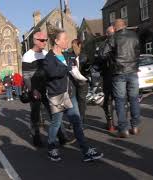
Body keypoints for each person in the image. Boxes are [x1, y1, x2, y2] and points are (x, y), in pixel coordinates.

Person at [43, 26, 103, 162]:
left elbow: (78, 61)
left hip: (70, 94)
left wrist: (78, 67)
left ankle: (86, 150)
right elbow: (52, 73)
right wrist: (67, 68)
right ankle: (51, 147)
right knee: (56, 123)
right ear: (57, 41)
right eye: (64, 39)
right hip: (57, 95)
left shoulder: (66, 55)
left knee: (76, 122)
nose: (66, 41)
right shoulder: (49, 58)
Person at [22, 31, 71, 147]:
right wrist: (33, 90)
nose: (45, 42)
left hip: (48, 88)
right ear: (34, 41)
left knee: (55, 113)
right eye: (42, 40)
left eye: (46, 40)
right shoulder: (27, 56)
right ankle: (36, 138)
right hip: (35, 90)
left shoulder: (46, 54)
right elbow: (26, 76)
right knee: (35, 115)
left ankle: (62, 136)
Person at [100, 19, 141, 138]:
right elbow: (138, 53)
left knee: (120, 101)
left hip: (119, 73)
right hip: (133, 71)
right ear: (125, 26)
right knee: (134, 99)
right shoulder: (134, 36)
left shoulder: (113, 37)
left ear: (115, 27)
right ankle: (135, 126)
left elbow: (102, 54)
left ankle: (123, 129)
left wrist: (112, 55)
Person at [98, 26, 116, 132]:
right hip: (118, 74)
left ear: (106, 34)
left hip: (108, 74)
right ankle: (123, 124)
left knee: (108, 99)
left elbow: (100, 58)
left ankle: (110, 124)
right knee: (121, 98)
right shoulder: (121, 41)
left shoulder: (104, 44)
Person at [67, 38, 89, 125]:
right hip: (73, 82)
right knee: (73, 101)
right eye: (72, 46)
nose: (73, 48)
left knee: (81, 102)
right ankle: (74, 121)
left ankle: (81, 121)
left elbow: (87, 70)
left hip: (82, 83)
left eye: (74, 46)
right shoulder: (70, 55)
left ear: (79, 45)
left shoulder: (84, 56)